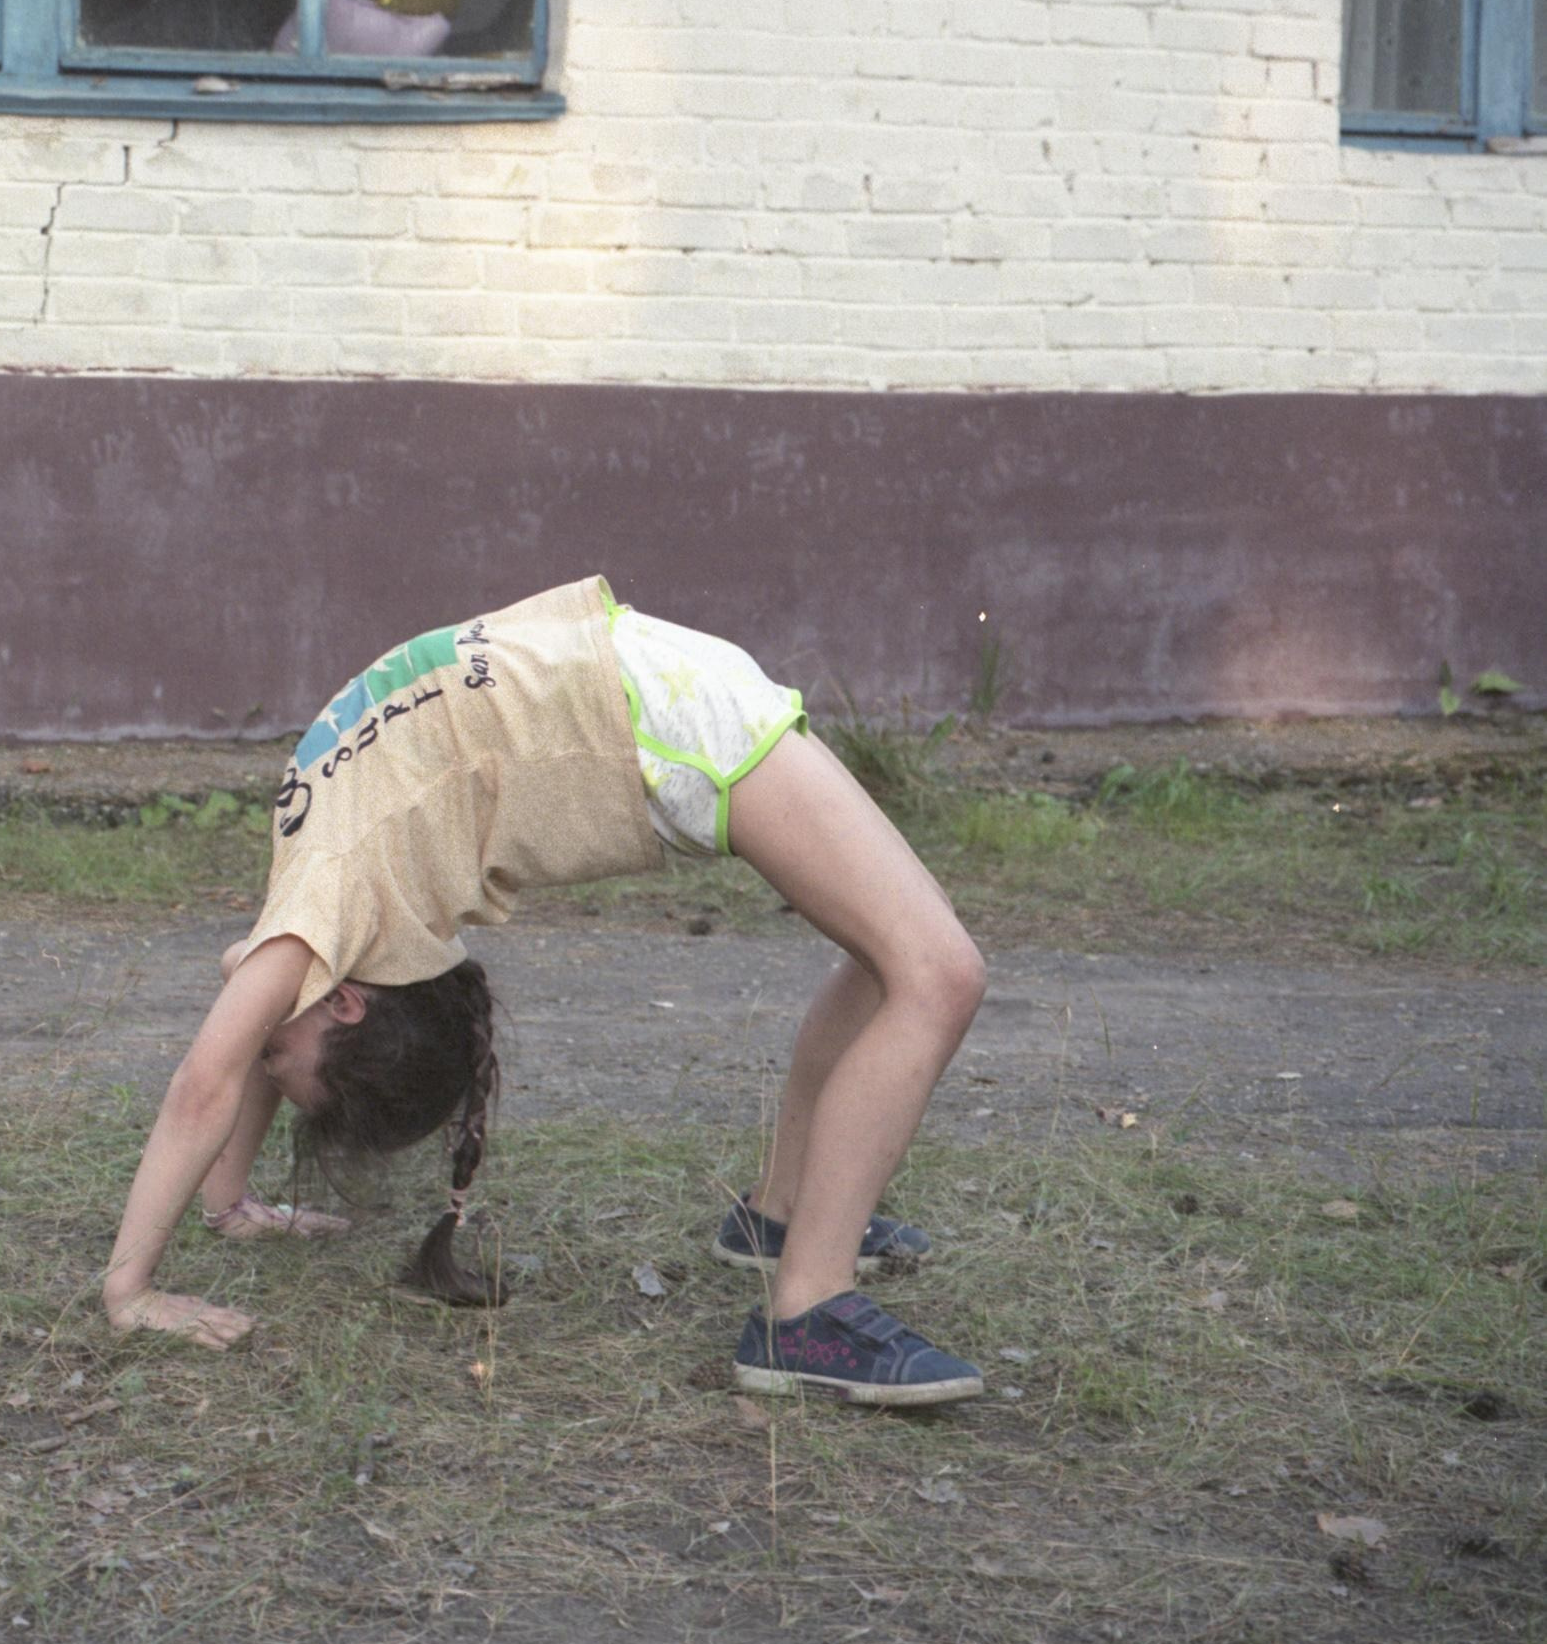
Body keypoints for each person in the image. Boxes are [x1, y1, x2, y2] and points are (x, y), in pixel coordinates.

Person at [100, 577, 988, 1405]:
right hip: (641, 682)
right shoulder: (316, 915)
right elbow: (248, 1015)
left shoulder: (316, 910)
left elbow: (203, 1084)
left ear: (346, 1002)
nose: (259, 1045)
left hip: (660, 721)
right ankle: (787, 1231)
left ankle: (803, 1304)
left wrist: (129, 1289)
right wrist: (226, 1203)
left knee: (930, 974)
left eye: (275, 1059)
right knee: (907, 960)